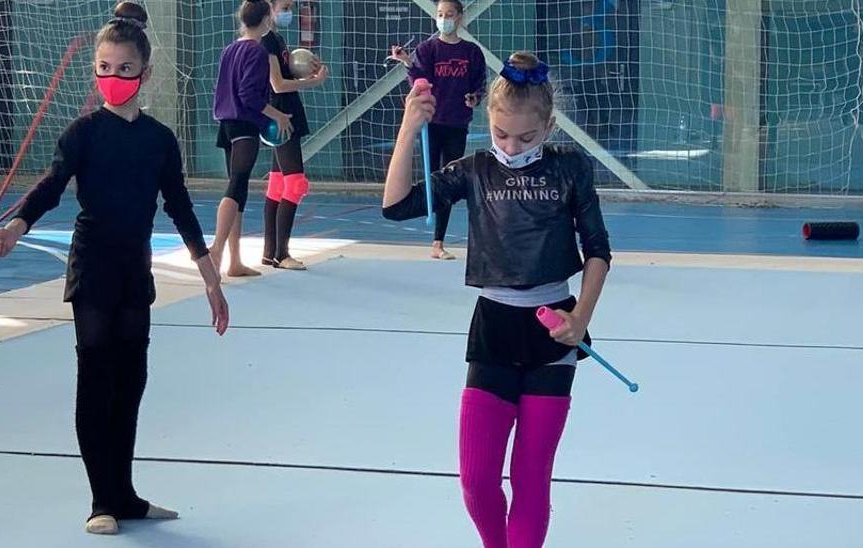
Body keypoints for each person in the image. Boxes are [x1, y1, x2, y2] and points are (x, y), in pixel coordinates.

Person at [0, 2, 230, 534]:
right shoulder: (83, 134)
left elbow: (180, 207)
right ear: (96, 70)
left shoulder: (160, 140)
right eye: (105, 68)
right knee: (96, 375)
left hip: (134, 272)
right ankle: (101, 501)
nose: (114, 78)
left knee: (131, 379)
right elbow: (49, 187)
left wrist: (211, 281)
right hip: (92, 268)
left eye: (125, 68)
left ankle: (127, 494)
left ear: (145, 73)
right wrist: (14, 229)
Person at [382, 51, 611, 548]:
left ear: (548, 126)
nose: (511, 146)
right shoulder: (474, 170)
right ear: (488, 120)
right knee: (477, 481)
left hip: (555, 331)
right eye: (500, 134)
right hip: (492, 327)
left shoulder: (571, 169)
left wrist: (581, 318)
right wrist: (408, 129)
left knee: (531, 479)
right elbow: (396, 206)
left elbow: (598, 250)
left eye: (526, 138)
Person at [390, 0, 487, 260]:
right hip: (432, 123)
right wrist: (407, 62)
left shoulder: (471, 52)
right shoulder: (428, 49)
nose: (444, 19)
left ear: (460, 18)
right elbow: (419, 80)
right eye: (440, 14)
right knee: (432, 177)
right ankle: (431, 230)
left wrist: (475, 98)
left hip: (457, 123)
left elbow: (480, 85)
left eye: (449, 14)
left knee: (449, 179)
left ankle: (438, 242)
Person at [211, 0, 294, 277]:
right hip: (243, 125)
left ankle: (234, 260)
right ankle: (217, 250)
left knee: (240, 190)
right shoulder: (256, 51)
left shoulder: (230, 49)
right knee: (235, 186)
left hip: (226, 123)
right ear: (266, 21)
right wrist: (277, 115)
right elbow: (249, 95)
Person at [261, 0, 329, 270]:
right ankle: (282, 253)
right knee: (296, 183)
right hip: (280, 116)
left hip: (286, 112)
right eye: (285, 7)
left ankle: (270, 251)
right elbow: (276, 84)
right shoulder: (265, 42)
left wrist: (305, 69)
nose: (288, 12)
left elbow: (283, 74)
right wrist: (313, 82)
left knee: (277, 183)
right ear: (270, 7)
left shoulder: (276, 39)